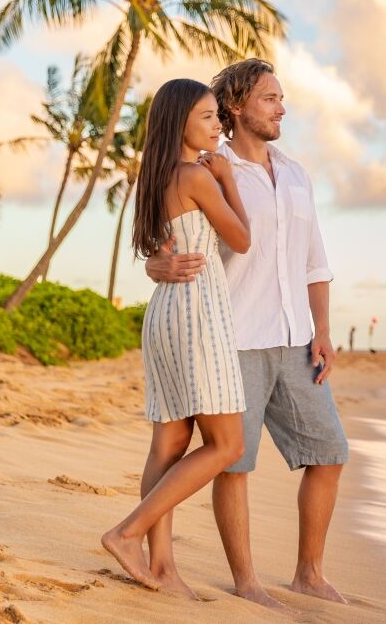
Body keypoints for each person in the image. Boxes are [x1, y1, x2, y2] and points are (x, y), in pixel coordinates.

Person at [145, 59, 348, 608]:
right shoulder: (209, 162)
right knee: (234, 462)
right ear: (235, 106)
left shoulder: (297, 172)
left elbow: (314, 261)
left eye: (281, 98)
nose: (282, 107)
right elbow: (165, 233)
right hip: (231, 335)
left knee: (328, 452)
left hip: (296, 337)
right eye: (269, 98)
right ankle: (247, 582)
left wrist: (323, 329)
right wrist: (155, 266)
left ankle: (309, 571)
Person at [102, 79, 250, 595]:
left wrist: (154, 266)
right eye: (208, 117)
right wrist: (229, 179)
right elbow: (241, 238)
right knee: (227, 444)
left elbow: (160, 248)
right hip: (198, 315)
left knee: (169, 442)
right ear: (180, 122)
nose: (218, 126)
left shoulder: (157, 176)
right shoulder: (196, 175)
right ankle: (128, 532)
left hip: (165, 314)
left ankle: (162, 566)